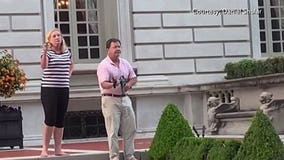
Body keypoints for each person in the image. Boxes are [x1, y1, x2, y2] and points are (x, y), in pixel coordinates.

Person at [97, 38, 138, 160]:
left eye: (119, 47)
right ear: (108, 49)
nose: (118, 49)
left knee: (131, 128)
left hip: (124, 98)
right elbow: (104, 84)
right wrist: (114, 84)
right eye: (115, 47)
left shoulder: (125, 63)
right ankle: (114, 157)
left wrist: (128, 85)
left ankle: (129, 155)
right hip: (110, 99)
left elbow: (133, 77)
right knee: (113, 130)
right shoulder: (103, 65)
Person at [40, 28, 73, 157]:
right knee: (50, 118)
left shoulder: (66, 52)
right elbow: (43, 66)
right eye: (54, 36)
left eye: (59, 35)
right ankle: (45, 149)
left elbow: (71, 65)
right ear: (50, 40)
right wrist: (44, 52)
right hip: (49, 89)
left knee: (60, 119)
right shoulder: (48, 53)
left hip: (63, 88)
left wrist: (68, 75)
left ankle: (58, 149)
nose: (57, 37)